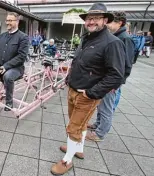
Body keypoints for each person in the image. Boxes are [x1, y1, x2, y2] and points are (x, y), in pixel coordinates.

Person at [50, 3, 125, 175]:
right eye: (89, 18)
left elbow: (116, 75)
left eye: (96, 18)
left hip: (88, 95)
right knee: (80, 125)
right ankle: (78, 148)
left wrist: (92, 92)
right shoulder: (86, 38)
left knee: (73, 128)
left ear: (105, 20)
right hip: (73, 90)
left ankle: (67, 160)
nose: (91, 22)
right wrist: (69, 78)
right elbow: (78, 62)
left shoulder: (112, 43)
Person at [86, 11, 135, 142]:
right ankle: (97, 125)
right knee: (101, 105)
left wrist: (116, 84)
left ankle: (100, 134)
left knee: (106, 107)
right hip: (105, 79)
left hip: (112, 82)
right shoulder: (116, 36)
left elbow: (127, 64)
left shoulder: (125, 38)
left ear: (120, 23)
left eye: (111, 21)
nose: (107, 24)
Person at [0, 12, 29, 111]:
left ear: (17, 22)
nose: (7, 22)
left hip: (16, 68)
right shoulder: (1, 36)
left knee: (7, 76)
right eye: (7, 20)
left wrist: (5, 67)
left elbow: (21, 56)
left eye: (10, 20)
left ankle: (9, 102)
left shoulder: (23, 37)